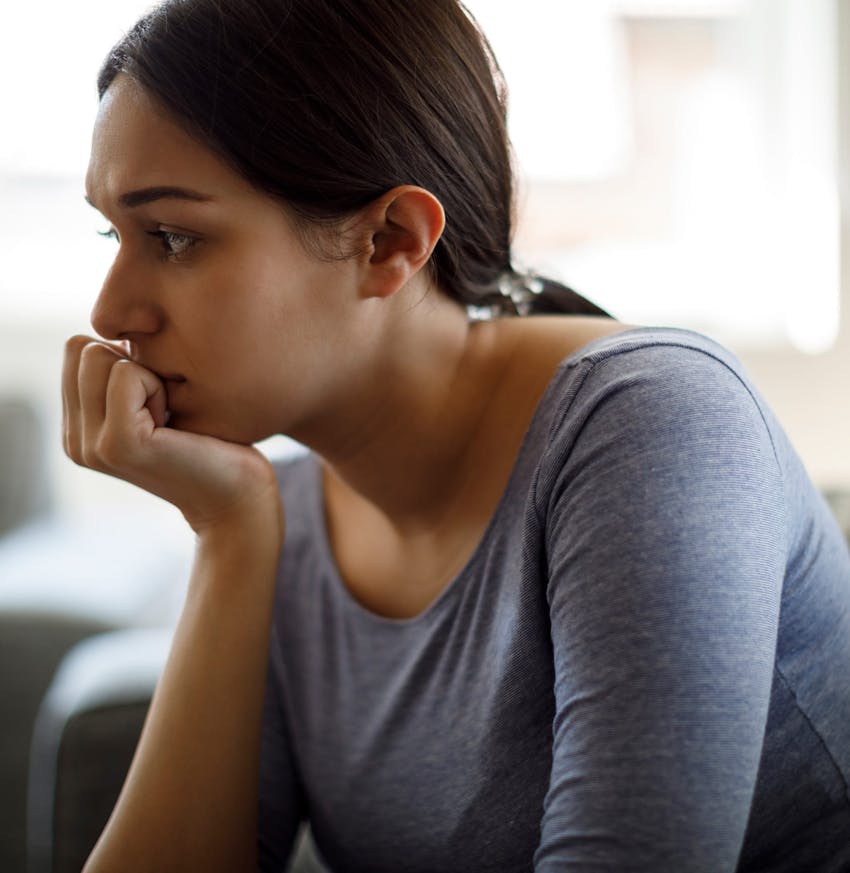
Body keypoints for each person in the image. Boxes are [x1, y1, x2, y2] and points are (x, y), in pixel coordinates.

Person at [62, 1, 850, 870]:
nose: (109, 312)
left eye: (172, 236)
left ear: (391, 242)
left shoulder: (652, 423)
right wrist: (232, 540)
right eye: (113, 231)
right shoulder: (279, 511)